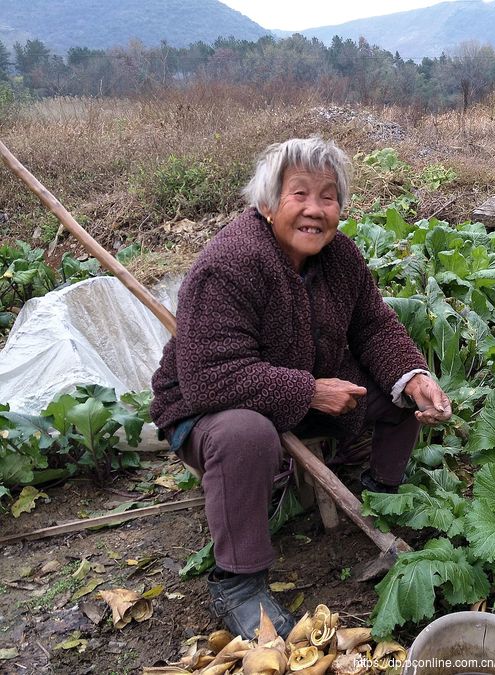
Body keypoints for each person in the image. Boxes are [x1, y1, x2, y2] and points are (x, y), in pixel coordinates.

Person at [149, 137, 452, 640]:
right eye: (299, 194)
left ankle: (381, 498)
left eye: (328, 197)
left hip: (304, 383)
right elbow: (210, 379)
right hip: (209, 409)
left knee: (396, 392)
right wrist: (309, 391)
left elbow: (374, 326)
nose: (315, 210)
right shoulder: (228, 265)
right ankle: (238, 581)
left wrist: (415, 377)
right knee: (247, 435)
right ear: (267, 203)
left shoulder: (340, 257)